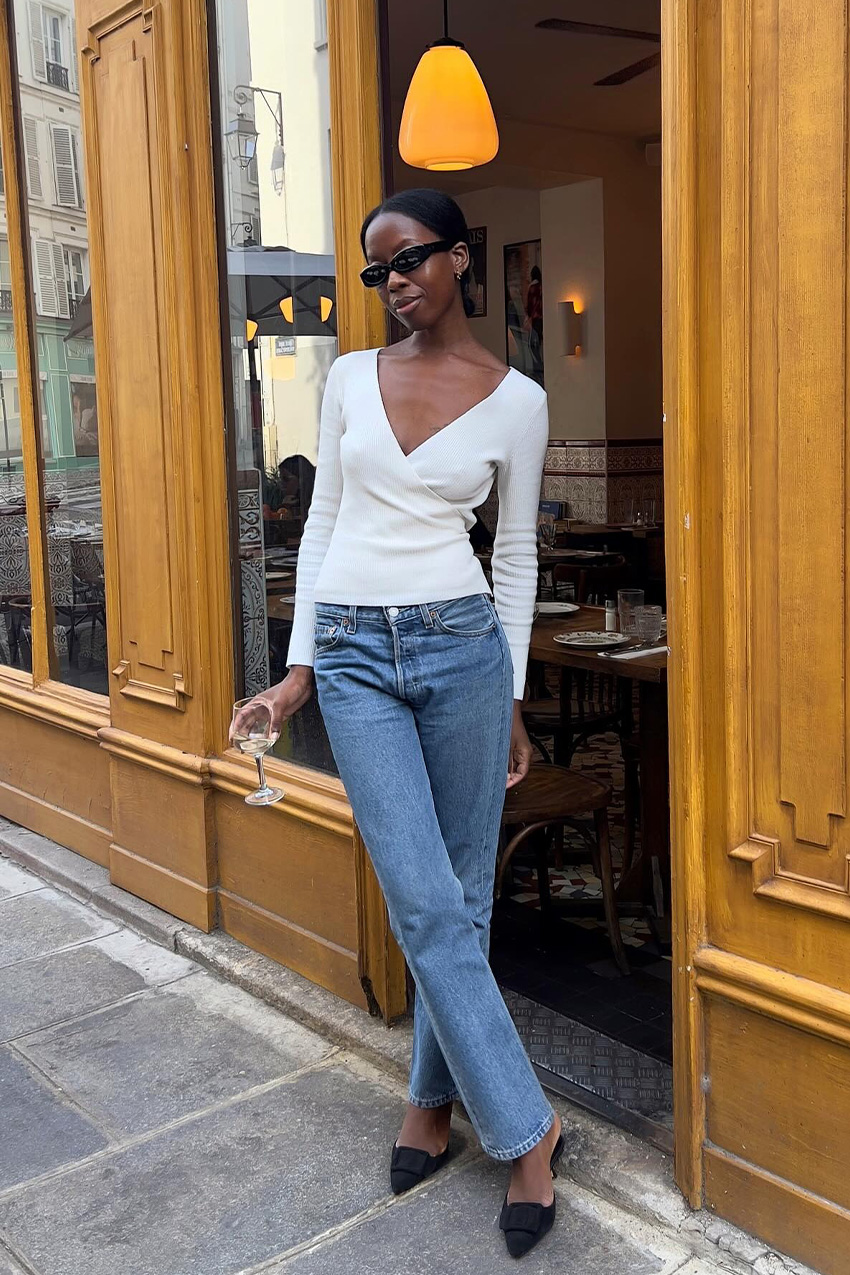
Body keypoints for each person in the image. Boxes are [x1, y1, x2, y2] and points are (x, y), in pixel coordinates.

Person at [241, 189, 561, 1258]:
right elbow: (326, 518)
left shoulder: (517, 400)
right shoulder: (344, 380)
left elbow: (511, 556)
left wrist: (511, 692)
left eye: (411, 261)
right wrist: (296, 679)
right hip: (356, 658)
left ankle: (430, 1100)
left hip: (463, 648)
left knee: (461, 894)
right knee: (422, 898)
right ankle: (527, 1126)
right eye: (379, 274)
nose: (395, 286)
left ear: (460, 260)